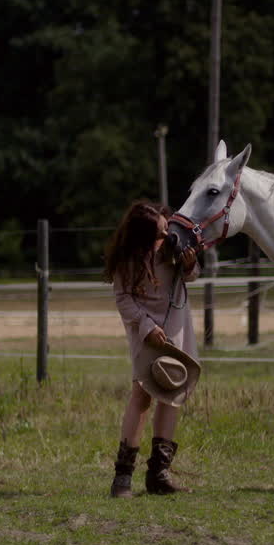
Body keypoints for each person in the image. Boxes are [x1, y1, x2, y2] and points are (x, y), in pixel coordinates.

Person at [102, 200, 201, 498]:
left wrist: (188, 264)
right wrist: (146, 327)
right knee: (142, 395)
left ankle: (159, 473)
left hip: (175, 324)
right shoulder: (127, 260)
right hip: (145, 331)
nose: (164, 235)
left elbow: (192, 276)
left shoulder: (173, 244)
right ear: (142, 237)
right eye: (158, 233)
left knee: (172, 392)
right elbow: (123, 299)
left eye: (164, 228)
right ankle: (123, 477)